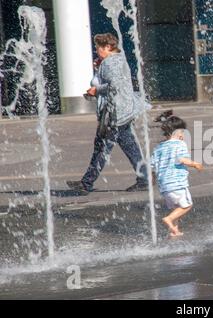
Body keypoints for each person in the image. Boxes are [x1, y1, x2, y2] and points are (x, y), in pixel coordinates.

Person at [67, 33, 148, 195]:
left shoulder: (111, 63)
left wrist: (96, 90)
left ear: (108, 47)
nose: (97, 50)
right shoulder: (116, 59)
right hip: (123, 110)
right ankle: (144, 178)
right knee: (130, 146)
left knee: (102, 147)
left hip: (115, 113)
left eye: (98, 47)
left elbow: (115, 84)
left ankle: (86, 183)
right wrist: (99, 68)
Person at [151, 113, 203, 237]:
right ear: (177, 132)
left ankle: (174, 230)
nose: (183, 135)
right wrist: (195, 164)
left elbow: (152, 166)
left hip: (164, 186)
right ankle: (168, 219)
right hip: (177, 184)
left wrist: (153, 180)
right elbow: (181, 159)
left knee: (176, 208)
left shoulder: (159, 147)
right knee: (187, 205)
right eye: (182, 132)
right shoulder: (180, 144)